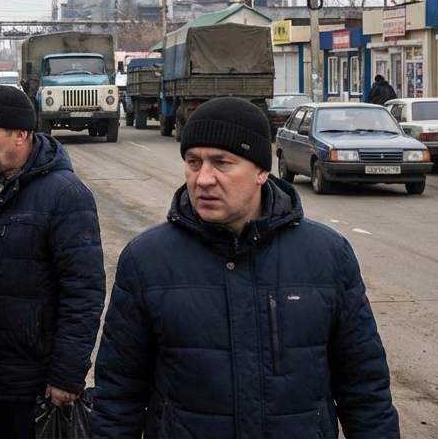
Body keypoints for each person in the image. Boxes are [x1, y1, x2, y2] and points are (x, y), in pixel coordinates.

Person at [92, 97, 400, 438]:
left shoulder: (327, 255)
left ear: (261, 172)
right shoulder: (147, 259)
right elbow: (118, 394)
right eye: (193, 162)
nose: (203, 179)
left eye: (222, 163)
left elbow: (365, 390)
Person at [0, 86, 105, 438]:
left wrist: (67, 373)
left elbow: (83, 292)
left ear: (20, 135)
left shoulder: (66, 195)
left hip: (34, 382)